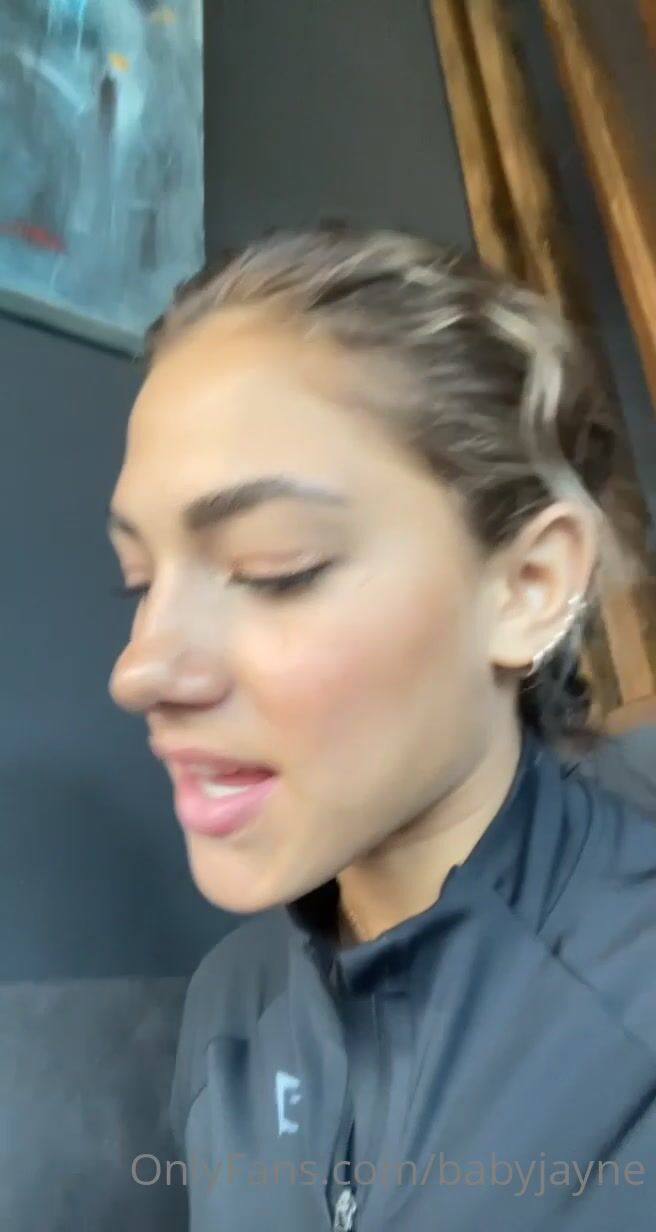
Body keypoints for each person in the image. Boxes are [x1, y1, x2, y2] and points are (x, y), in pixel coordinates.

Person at [107, 226, 656, 1231]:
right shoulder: (231, 1006)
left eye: (273, 567)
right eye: (137, 579)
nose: (140, 668)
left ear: (528, 588)